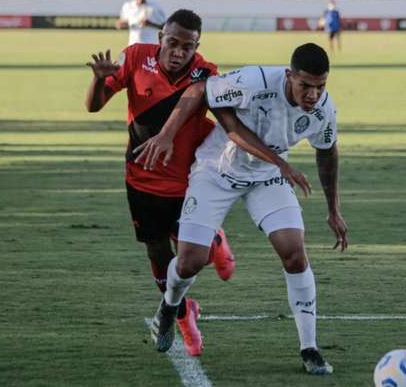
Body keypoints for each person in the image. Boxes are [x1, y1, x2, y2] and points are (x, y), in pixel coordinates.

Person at [146, 43, 347, 375]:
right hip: (216, 171)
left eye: (320, 86)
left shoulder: (323, 109)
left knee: (294, 252)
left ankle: (309, 348)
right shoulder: (254, 81)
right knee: (189, 262)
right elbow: (202, 91)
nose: (313, 94)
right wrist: (167, 134)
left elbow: (328, 152)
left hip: (266, 177)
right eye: (306, 86)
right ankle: (169, 307)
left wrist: (333, 210)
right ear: (289, 76)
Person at [84, 9, 238, 357]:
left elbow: (226, 119)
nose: (179, 52)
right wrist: (98, 80)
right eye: (173, 43)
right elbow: (94, 106)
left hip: (187, 184)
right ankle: (184, 318)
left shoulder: (206, 72)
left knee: (193, 256)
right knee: (158, 255)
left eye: (188, 46)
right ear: (160, 39)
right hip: (141, 178)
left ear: (197, 46)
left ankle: (216, 241)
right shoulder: (136, 57)